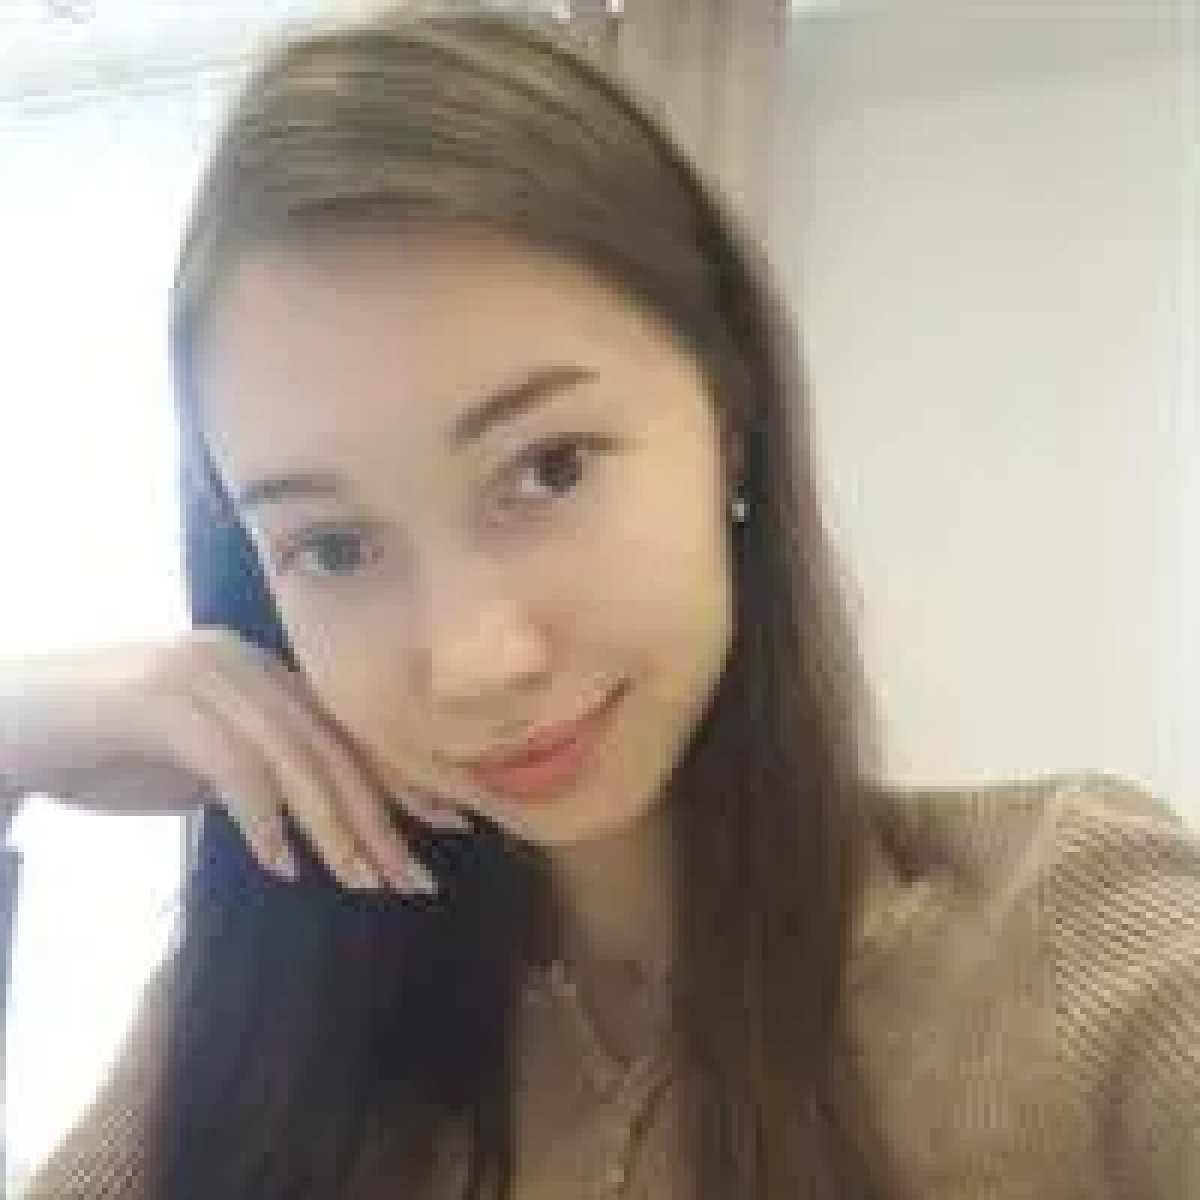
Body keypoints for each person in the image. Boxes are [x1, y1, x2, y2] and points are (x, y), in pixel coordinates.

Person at [3, 11, 1196, 1200]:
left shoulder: (1070, 940)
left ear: (729, 418)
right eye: (334, 546)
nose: (476, 660)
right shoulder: (253, 1036)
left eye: (548, 469)